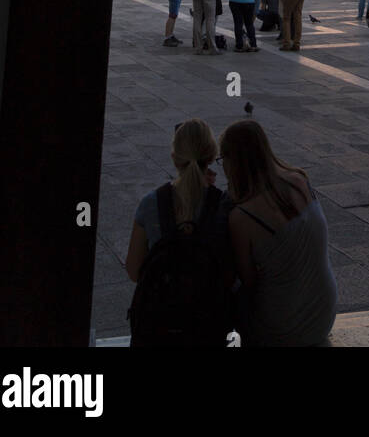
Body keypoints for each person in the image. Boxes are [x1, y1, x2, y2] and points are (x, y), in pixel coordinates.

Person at [220, 119, 337, 347]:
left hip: (282, 331)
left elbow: (248, 281)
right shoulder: (300, 180)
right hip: (323, 316)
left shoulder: (242, 216)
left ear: (232, 162)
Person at [126, 119, 234, 347]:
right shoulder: (225, 206)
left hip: (157, 334)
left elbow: (134, 271)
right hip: (206, 333)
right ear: (213, 156)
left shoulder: (150, 203)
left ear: (174, 157)